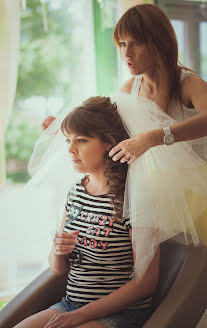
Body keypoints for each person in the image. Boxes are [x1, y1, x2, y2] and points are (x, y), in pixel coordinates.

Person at [41, 3, 207, 285]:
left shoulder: (189, 83)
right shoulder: (130, 88)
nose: (126, 53)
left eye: (135, 42)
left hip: (200, 197)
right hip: (158, 194)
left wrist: (153, 137)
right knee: (161, 285)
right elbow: (100, 119)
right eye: (122, 43)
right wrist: (63, 125)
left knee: (196, 291)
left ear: (158, 41)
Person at [14, 96, 159, 328]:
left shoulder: (133, 197)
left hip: (122, 314)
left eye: (81, 140)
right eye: (68, 141)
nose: (71, 149)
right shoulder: (75, 192)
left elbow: (146, 283)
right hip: (71, 305)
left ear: (109, 143)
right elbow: (58, 269)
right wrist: (57, 250)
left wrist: (80, 316)